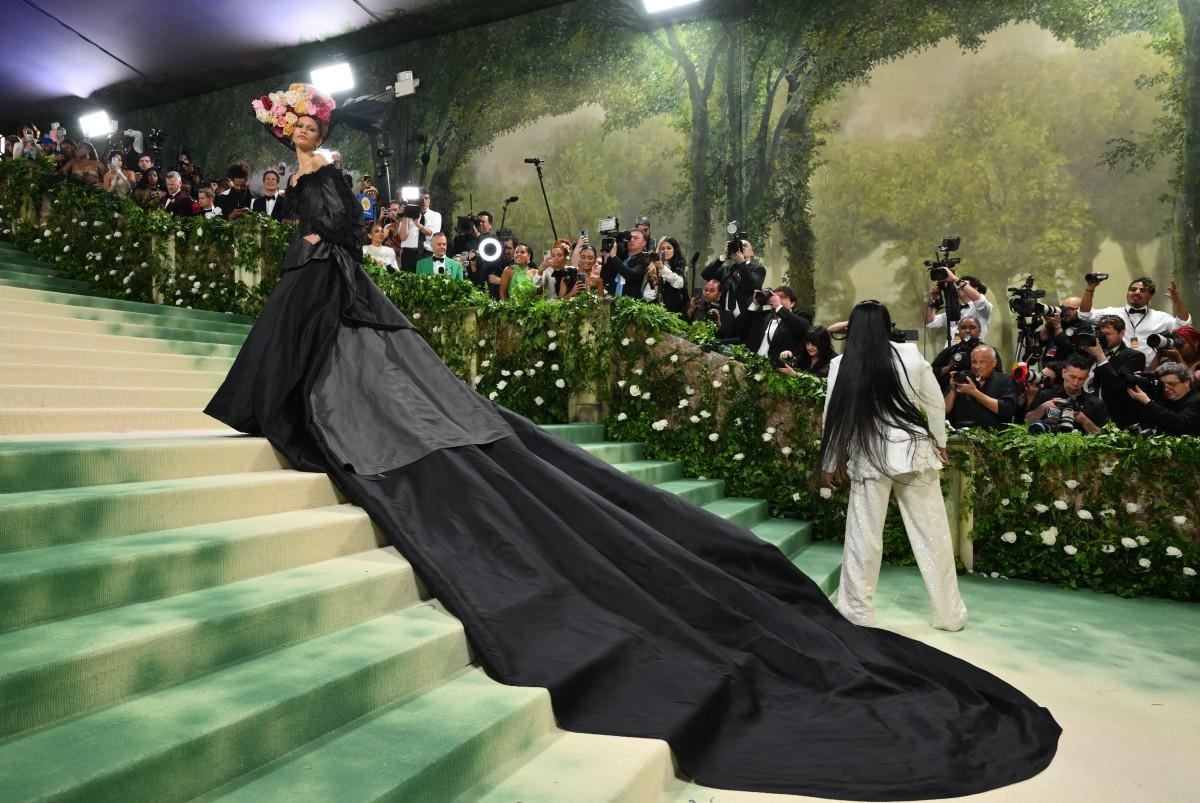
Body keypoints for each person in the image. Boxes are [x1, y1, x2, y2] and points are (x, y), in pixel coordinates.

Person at [204, 85, 1059, 801]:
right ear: (288, 130)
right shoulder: (303, 178)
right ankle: (899, 606)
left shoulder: (332, 178)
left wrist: (321, 231)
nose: (306, 133)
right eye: (299, 126)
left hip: (328, 279)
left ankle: (890, 609)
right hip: (316, 279)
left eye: (312, 124)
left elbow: (343, 225)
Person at [819, 299, 968, 634]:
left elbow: (833, 418)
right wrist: (941, 442)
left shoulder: (843, 364)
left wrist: (830, 462)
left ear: (852, 329)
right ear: (888, 326)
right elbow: (934, 404)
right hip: (915, 452)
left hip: (869, 456)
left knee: (863, 535)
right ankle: (949, 614)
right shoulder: (911, 355)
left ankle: (857, 612)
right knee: (933, 536)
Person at [1080, 276, 1191, 362]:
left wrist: (1177, 301)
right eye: (1133, 289)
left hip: (1149, 370)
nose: (1137, 292)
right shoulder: (1111, 313)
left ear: (1150, 296)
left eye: (1142, 290)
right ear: (1127, 293)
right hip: (1114, 368)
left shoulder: (1160, 317)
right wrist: (1090, 288)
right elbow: (1085, 314)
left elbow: (1184, 325)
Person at [1023, 354, 1108, 433]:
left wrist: (1084, 421)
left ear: (1087, 377)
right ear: (1063, 373)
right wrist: (1042, 408)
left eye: (1081, 379)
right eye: (1073, 377)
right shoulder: (1046, 396)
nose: (1076, 383)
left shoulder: (1096, 403)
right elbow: (1026, 422)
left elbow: (1104, 438)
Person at [945, 344, 1018, 429]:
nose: (977, 366)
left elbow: (1006, 410)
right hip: (962, 436)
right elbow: (944, 411)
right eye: (974, 362)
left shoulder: (1006, 381)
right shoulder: (964, 378)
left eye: (982, 362)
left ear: (994, 362)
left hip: (994, 437)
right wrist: (953, 390)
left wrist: (975, 393)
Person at [734, 286, 810, 364]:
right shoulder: (763, 317)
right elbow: (738, 329)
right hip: (751, 363)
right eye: (775, 296)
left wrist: (778, 307)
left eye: (781, 297)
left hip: (775, 369)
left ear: (792, 303)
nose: (777, 299)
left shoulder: (800, 318)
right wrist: (755, 304)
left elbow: (803, 328)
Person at [700, 236, 765, 320]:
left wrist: (741, 263)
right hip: (724, 316)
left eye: (745, 246)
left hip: (746, 317)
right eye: (739, 245)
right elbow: (705, 275)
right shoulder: (726, 269)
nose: (741, 247)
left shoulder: (758, 269)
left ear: (752, 253)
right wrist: (723, 256)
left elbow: (753, 286)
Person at [1126, 362, 1200, 435]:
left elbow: (1181, 425)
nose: (1166, 389)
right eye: (1163, 385)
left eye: (1171, 384)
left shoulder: (1197, 400)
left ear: (1186, 382)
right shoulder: (1163, 396)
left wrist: (1147, 402)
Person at [924, 271, 994, 342]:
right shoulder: (956, 309)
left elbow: (980, 300)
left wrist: (954, 278)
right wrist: (934, 299)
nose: (958, 287)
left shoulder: (983, 309)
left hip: (972, 352)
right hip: (951, 352)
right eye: (958, 285)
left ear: (975, 288)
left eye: (962, 285)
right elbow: (929, 322)